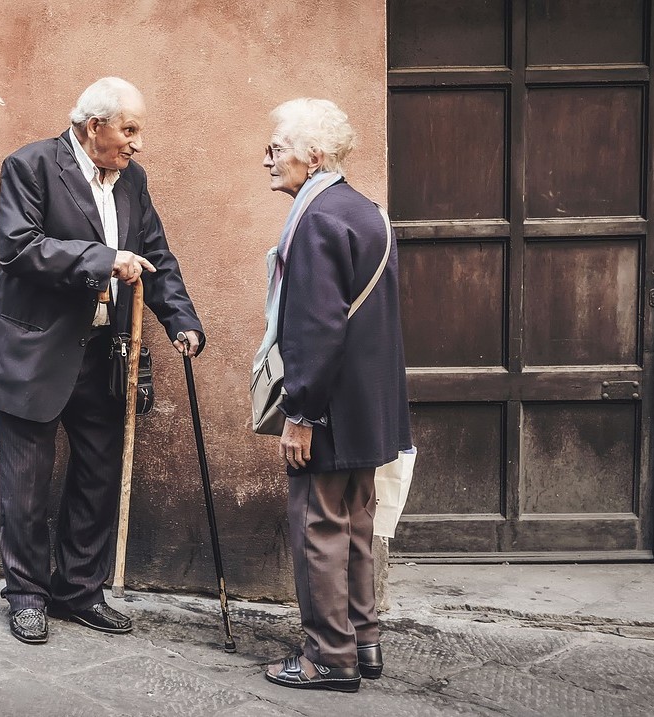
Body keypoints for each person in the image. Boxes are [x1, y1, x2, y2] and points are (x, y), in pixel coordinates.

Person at [0, 77, 204, 645]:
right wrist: (103, 259)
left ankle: (79, 590)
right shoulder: (29, 166)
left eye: (138, 131)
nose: (137, 143)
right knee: (25, 485)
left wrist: (182, 320)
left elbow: (155, 255)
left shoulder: (133, 181)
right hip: (33, 352)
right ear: (93, 125)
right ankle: (26, 594)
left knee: (98, 477)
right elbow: (20, 248)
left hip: (104, 354)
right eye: (129, 129)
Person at [256, 98, 412, 692]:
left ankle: (328, 657)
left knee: (320, 526)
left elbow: (317, 327)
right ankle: (364, 642)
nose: (267, 157)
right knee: (355, 524)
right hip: (367, 407)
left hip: (328, 409)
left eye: (278, 147)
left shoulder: (316, 216)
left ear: (313, 155)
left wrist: (301, 413)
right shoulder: (366, 210)